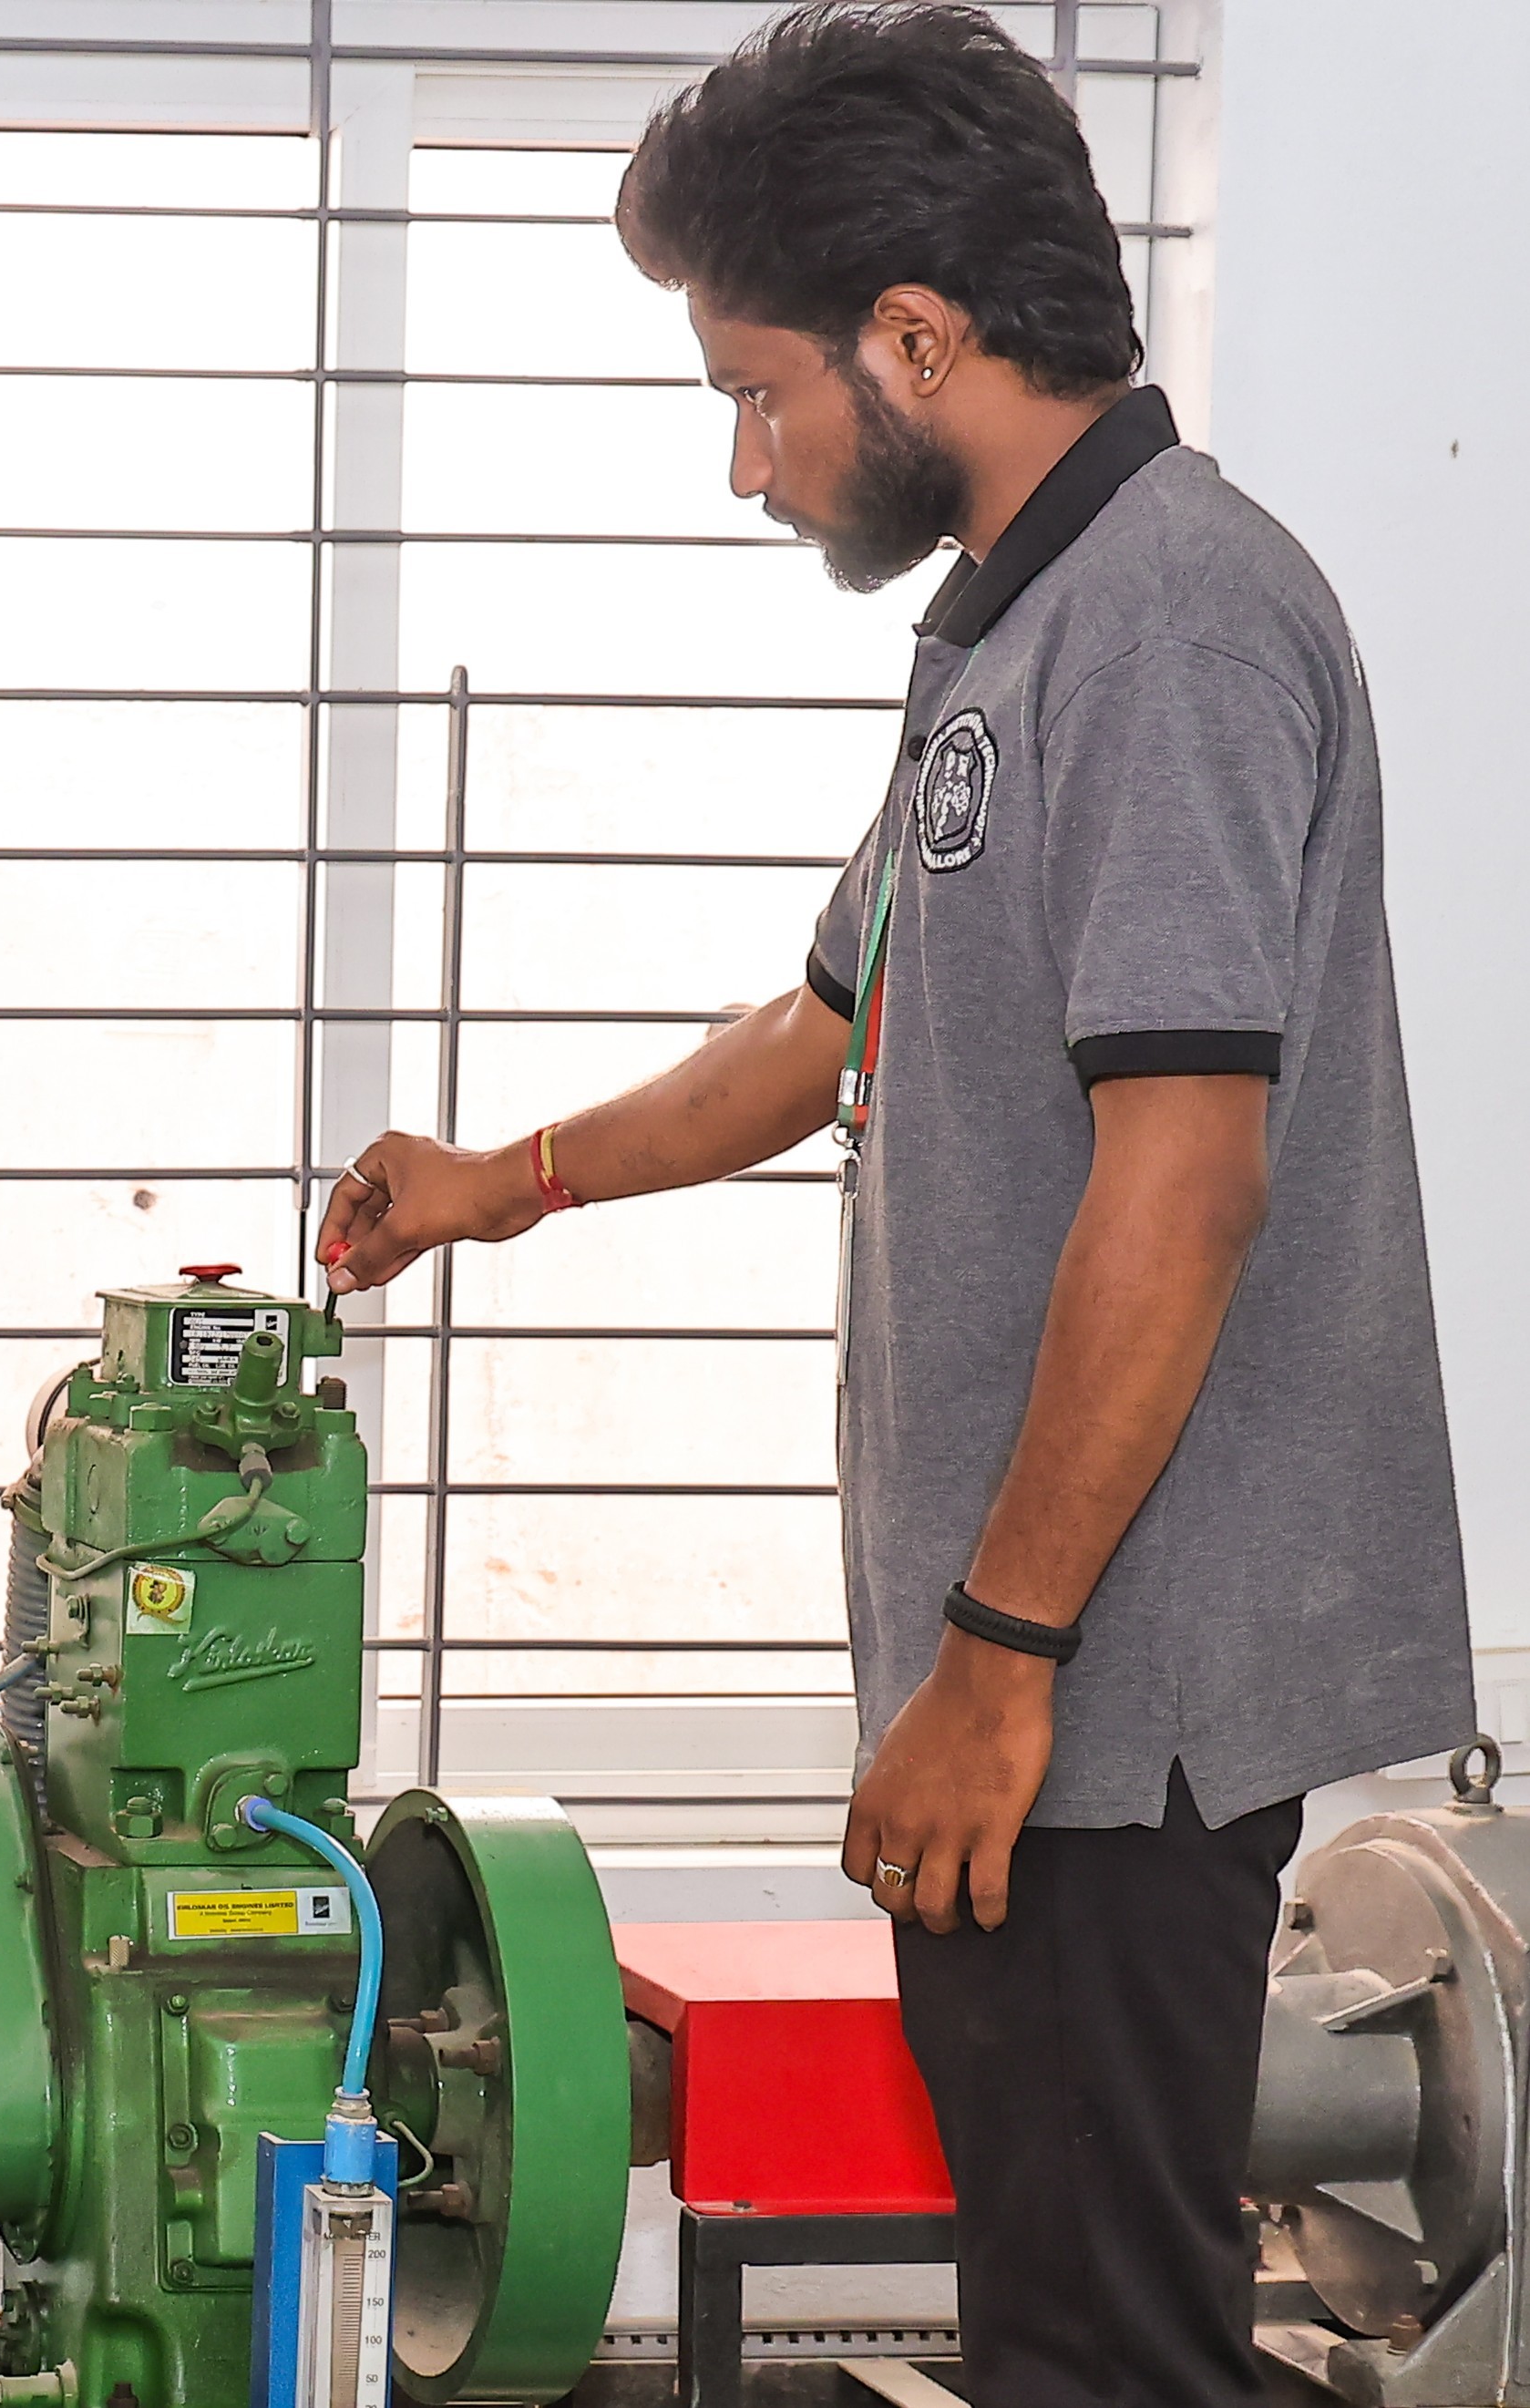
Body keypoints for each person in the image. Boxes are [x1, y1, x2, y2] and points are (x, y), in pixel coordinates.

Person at [312, 8, 1468, 2403]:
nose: (748, 464)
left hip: (1113, 1691)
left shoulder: (1166, 624)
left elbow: (1186, 1175)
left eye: (760, 393)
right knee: (1060, 2314)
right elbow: (826, 1020)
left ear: (917, 339)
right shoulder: (1016, 627)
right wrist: (503, 1184)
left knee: (1104, 2350)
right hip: (1046, 1680)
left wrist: (997, 1661)